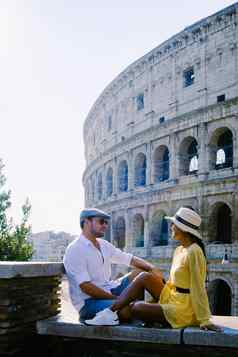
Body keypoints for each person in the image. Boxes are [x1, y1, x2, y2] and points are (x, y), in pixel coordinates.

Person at [84, 207, 221, 332]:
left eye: (174, 224)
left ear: (183, 229)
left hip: (184, 308)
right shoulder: (179, 250)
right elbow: (172, 283)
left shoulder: (194, 251)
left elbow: (198, 287)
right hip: (173, 296)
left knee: (137, 308)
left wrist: (204, 320)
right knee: (144, 276)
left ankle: (110, 313)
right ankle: (109, 313)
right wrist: (156, 299)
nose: (171, 226)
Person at [63, 208, 159, 322]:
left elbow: (128, 258)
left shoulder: (103, 245)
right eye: (101, 222)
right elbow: (86, 287)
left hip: (109, 289)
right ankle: (142, 311)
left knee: (141, 273)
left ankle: (166, 308)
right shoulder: (75, 249)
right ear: (86, 222)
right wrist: (120, 300)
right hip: (88, 303)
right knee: (127, 308)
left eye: (106, 222)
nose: (105, 225)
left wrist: (152, 268)